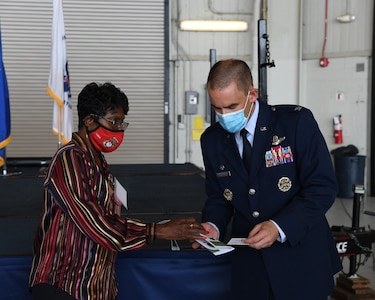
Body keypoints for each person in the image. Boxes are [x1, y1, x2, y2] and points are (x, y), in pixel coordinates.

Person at [29, 82, 205, 300]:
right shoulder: (69, 159)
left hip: (94, 287)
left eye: (122, 123)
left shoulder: (99, 162)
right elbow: (95, 223)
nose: (118, 130)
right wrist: (157, 231)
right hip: (64, 284)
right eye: (113, 122)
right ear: (89, 121)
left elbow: (111, 217)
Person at [195, 59, 342, 300]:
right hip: (251, 265)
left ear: (252, 94)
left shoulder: (295, 123)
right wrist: (213, 224)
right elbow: (218, 196)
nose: (224, 116)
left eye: (231, 106)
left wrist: (279, 226)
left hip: (301, 259)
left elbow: (322, 188)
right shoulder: (212, 140)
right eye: (217, 109)